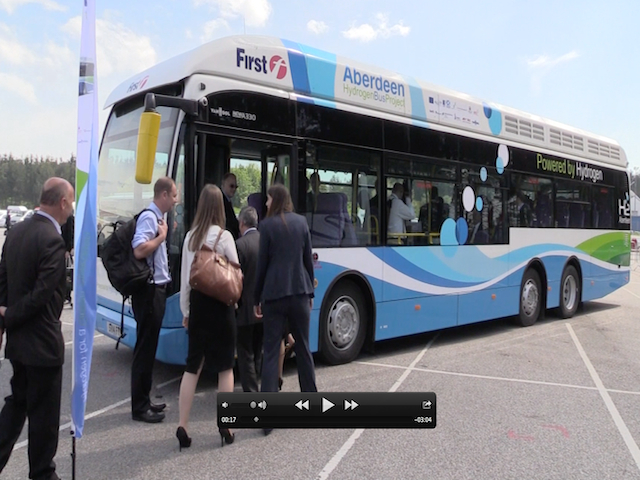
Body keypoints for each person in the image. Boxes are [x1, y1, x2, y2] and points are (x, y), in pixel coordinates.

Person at [0, 177, 75, 480]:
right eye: (70, 203)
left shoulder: (15, 232)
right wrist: (12, 313)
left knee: (17, 404)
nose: (71, 210)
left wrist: (5, 319)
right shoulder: (51, 239)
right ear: (62, 203)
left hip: (19, 344)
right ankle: (42, 473)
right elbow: (43, 294)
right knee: (43, 417)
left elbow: (3, 282)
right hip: (42, 344)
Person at [177, 184, 239, 449]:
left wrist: (186, 312)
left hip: (199, 307)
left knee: (192, 367)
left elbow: (185, 282)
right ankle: (226, 423)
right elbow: (236, 271)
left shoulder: (190, 237)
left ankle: (182, 424)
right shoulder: (225, 238)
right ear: (220, 208)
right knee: (225, 367)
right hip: (222, 308)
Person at [254, 184, 316, 435]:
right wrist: (310, 292)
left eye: (268, 200)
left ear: (276, 200)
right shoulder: (301, 223)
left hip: (274, 295)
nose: (266, 204)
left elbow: (262, 266)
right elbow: (307, 260)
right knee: (303, 348)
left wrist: (256, 297)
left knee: (270, 353)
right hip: (299, 292)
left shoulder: (266, 226)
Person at [130, 176, 177, 423]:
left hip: (154, 290)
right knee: (145, 349)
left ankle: (145, 400)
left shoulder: (157, 218)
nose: (176, 200)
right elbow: (139, 249)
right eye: (174, 195)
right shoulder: (149, 217)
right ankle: (139, 407)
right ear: (164, 195)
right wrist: (161, 237)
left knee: (148, 348)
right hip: (149, 292)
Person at [235, 206, 262, 393]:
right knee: (258, 348)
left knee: (245, 353)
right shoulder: (266, 242)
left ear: (242, 223)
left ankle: (251, 392)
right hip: (264, 307)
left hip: (244, 307)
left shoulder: (240, 245)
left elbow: (236, 278)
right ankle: (259, 383)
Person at [222, 172, 240, 239]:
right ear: (223, 184)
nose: (234, 189)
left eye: (236, 187)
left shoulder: (228, 201)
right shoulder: (221, 201)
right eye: (231, 186)